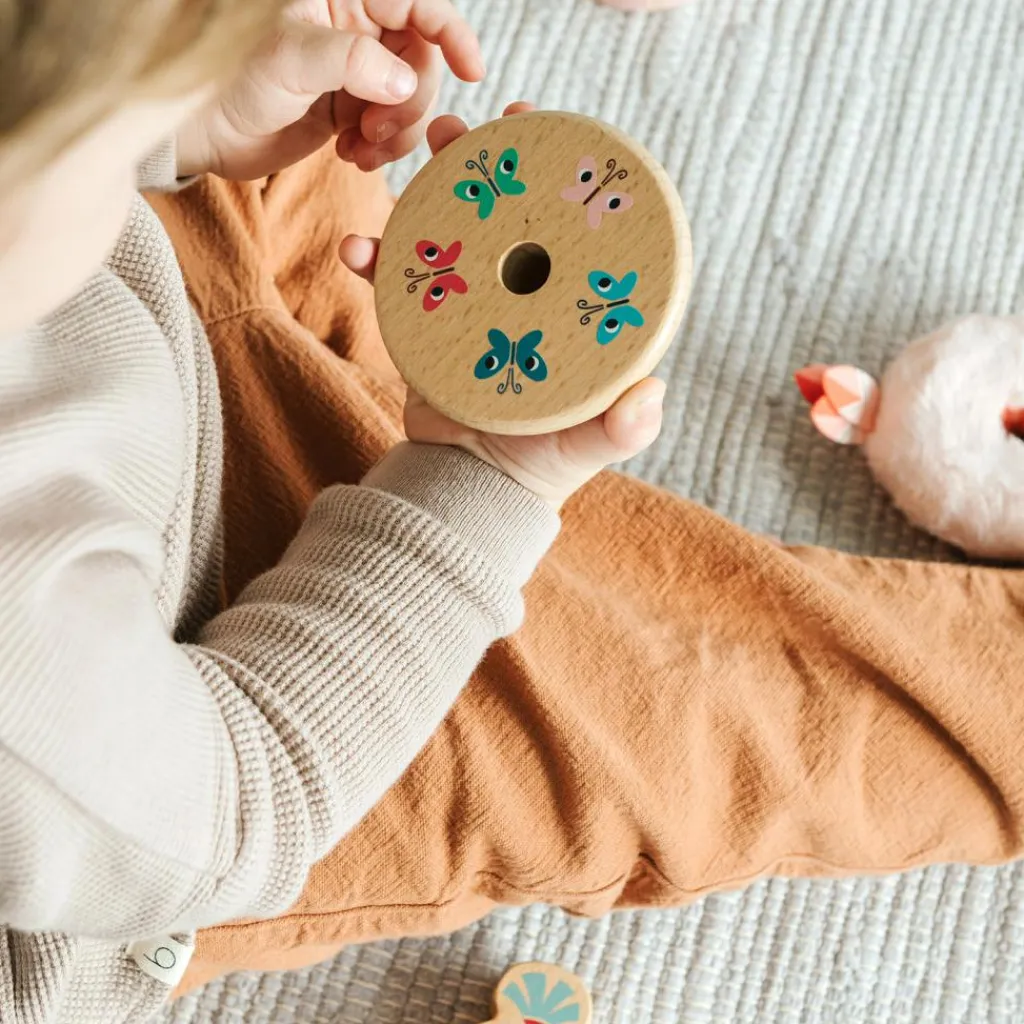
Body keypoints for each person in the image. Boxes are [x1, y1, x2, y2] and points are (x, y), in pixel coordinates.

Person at [3, 1, 1024, 1021]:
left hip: (115, 345)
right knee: (694, 697)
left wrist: (169, 121)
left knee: (342, 170)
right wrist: (482, 473)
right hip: (221, 757)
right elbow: (237, 812)